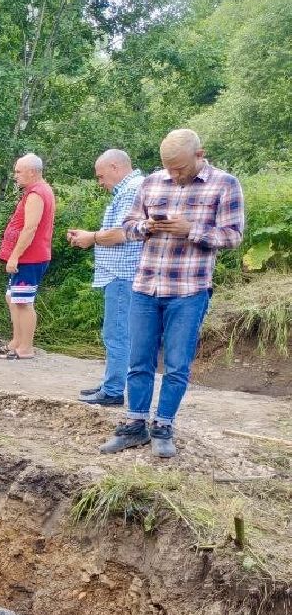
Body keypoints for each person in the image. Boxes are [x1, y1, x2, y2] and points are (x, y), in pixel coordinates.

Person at [99, 129, 244, 458]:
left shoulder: (225, 184)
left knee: (177, 364)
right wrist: (146, 226)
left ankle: (163, 426)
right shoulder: (152, 182)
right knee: (139, 361)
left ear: (199, 154)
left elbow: (233, 236)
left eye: (180, 168)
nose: (174, 175)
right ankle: (134, 425)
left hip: (189, 289)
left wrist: (191, 230)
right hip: (146, 285)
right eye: (169, 168)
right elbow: (128, 226)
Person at [66, 150, 145, 407]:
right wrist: (90, 235)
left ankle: (113, 391)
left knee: (117, 333)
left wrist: (92, 237)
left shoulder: (132, 189)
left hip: (123, 273)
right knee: (117, 332)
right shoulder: (130, 188)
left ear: (115, 166)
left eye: (101, 176)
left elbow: (124, 233)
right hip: (121, 273)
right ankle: (112, 382)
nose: (100, 182)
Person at [0, 154, 57, 359]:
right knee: (11, 297)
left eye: (18, 171)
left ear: (32, 172)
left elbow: (30, 228)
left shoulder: (37, 193)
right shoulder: (35, 191)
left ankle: (26, 348)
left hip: (31, 257)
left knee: (23, 301)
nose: (15, 176)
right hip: (28, 256)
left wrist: (14, 256)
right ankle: (17, 341)